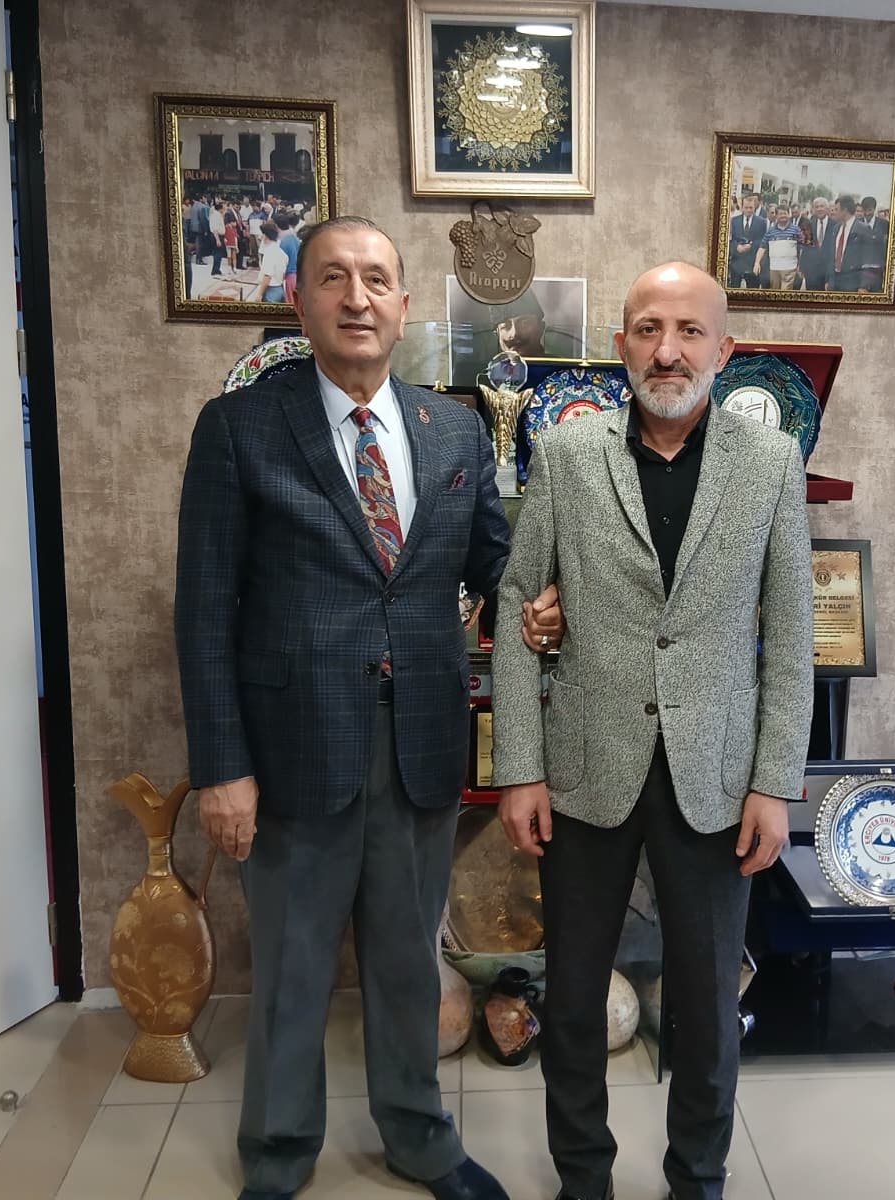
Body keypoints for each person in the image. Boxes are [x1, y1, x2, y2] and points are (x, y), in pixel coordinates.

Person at [176, 214, 563, 1200]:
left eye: (377, 280)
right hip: (291, 752)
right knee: (292, 972)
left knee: (405, 965)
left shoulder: (454, 429)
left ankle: (420, 1138)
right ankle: (277, 1152)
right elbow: (205, 610)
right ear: (298, 300)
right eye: (334, 278)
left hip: (420, 744)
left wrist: (539, 602)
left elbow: (492, 565)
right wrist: (222, 768)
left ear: (402, 305)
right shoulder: (241, 428)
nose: (357, 298)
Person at [491, 261, 814, 1200]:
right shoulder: (566, 454)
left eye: (688, 331)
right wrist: (519, 768)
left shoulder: (770, 463)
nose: (667, 351)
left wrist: (774, 783)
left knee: (708, 1005)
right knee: (573, 995)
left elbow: (792, 633)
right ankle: (582, 1180)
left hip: (716, 776)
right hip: (586, 766)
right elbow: (517, 601)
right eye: (647, 330)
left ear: (724, 348)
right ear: (621, 344)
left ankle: (698, 1179)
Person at [755, 201, 804, 290]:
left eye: (785, 213)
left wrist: (800, 265)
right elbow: (762, 247)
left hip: (790, 269)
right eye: (780, 214)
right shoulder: (770, 231)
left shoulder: (796, 230)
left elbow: (802, 249)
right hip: (774, 268)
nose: (783, 216)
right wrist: (757, 262)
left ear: (789, 214)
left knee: (785, 292)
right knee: (775, 292)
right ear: (776, 216)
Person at [825, 194, 869, 291]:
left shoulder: (863, 229)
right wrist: (828, 280)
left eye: (836, 209)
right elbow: (832, 255)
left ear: (844, 210)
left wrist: (864, 285)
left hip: (852, 284)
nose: (834, 212)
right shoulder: (836, 228)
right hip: (834, 282)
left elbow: (868, 259)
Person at [726, 194, 767, 290]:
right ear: (742, 207)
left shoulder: (761, 222)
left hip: (752, 262)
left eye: (751, 208)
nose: (748, 210)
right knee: (734, 289)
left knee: (752, 290)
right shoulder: (734, 221)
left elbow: (763, 241)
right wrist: (737, 247)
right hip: (737, 262)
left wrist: (751, 246)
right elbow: (731, 239)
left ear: (754, 207)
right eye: (746, 207)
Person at [250, 221, 289, 303]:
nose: (260, 237)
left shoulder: (269, 253)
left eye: (262, 234)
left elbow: (267, 276)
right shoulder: (282, 253)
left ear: (266, 236)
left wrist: (259, 294)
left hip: (271, 290)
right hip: (280, 288)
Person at [799, 197, 832, 289]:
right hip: (811, 271)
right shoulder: (808, 225)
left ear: (827, 208)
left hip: (828, 271)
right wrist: (802, 267)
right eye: (817, 207)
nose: (819, 209)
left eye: (822, 206)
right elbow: (806, 247)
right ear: (813, 209)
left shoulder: (835, 225)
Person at [276, 214, 302, 304]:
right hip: (298, 274)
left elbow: (281, 264)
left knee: (291, 304)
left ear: (277, 226)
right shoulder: (295, 237)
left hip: (289, 276)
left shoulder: (282, 242)